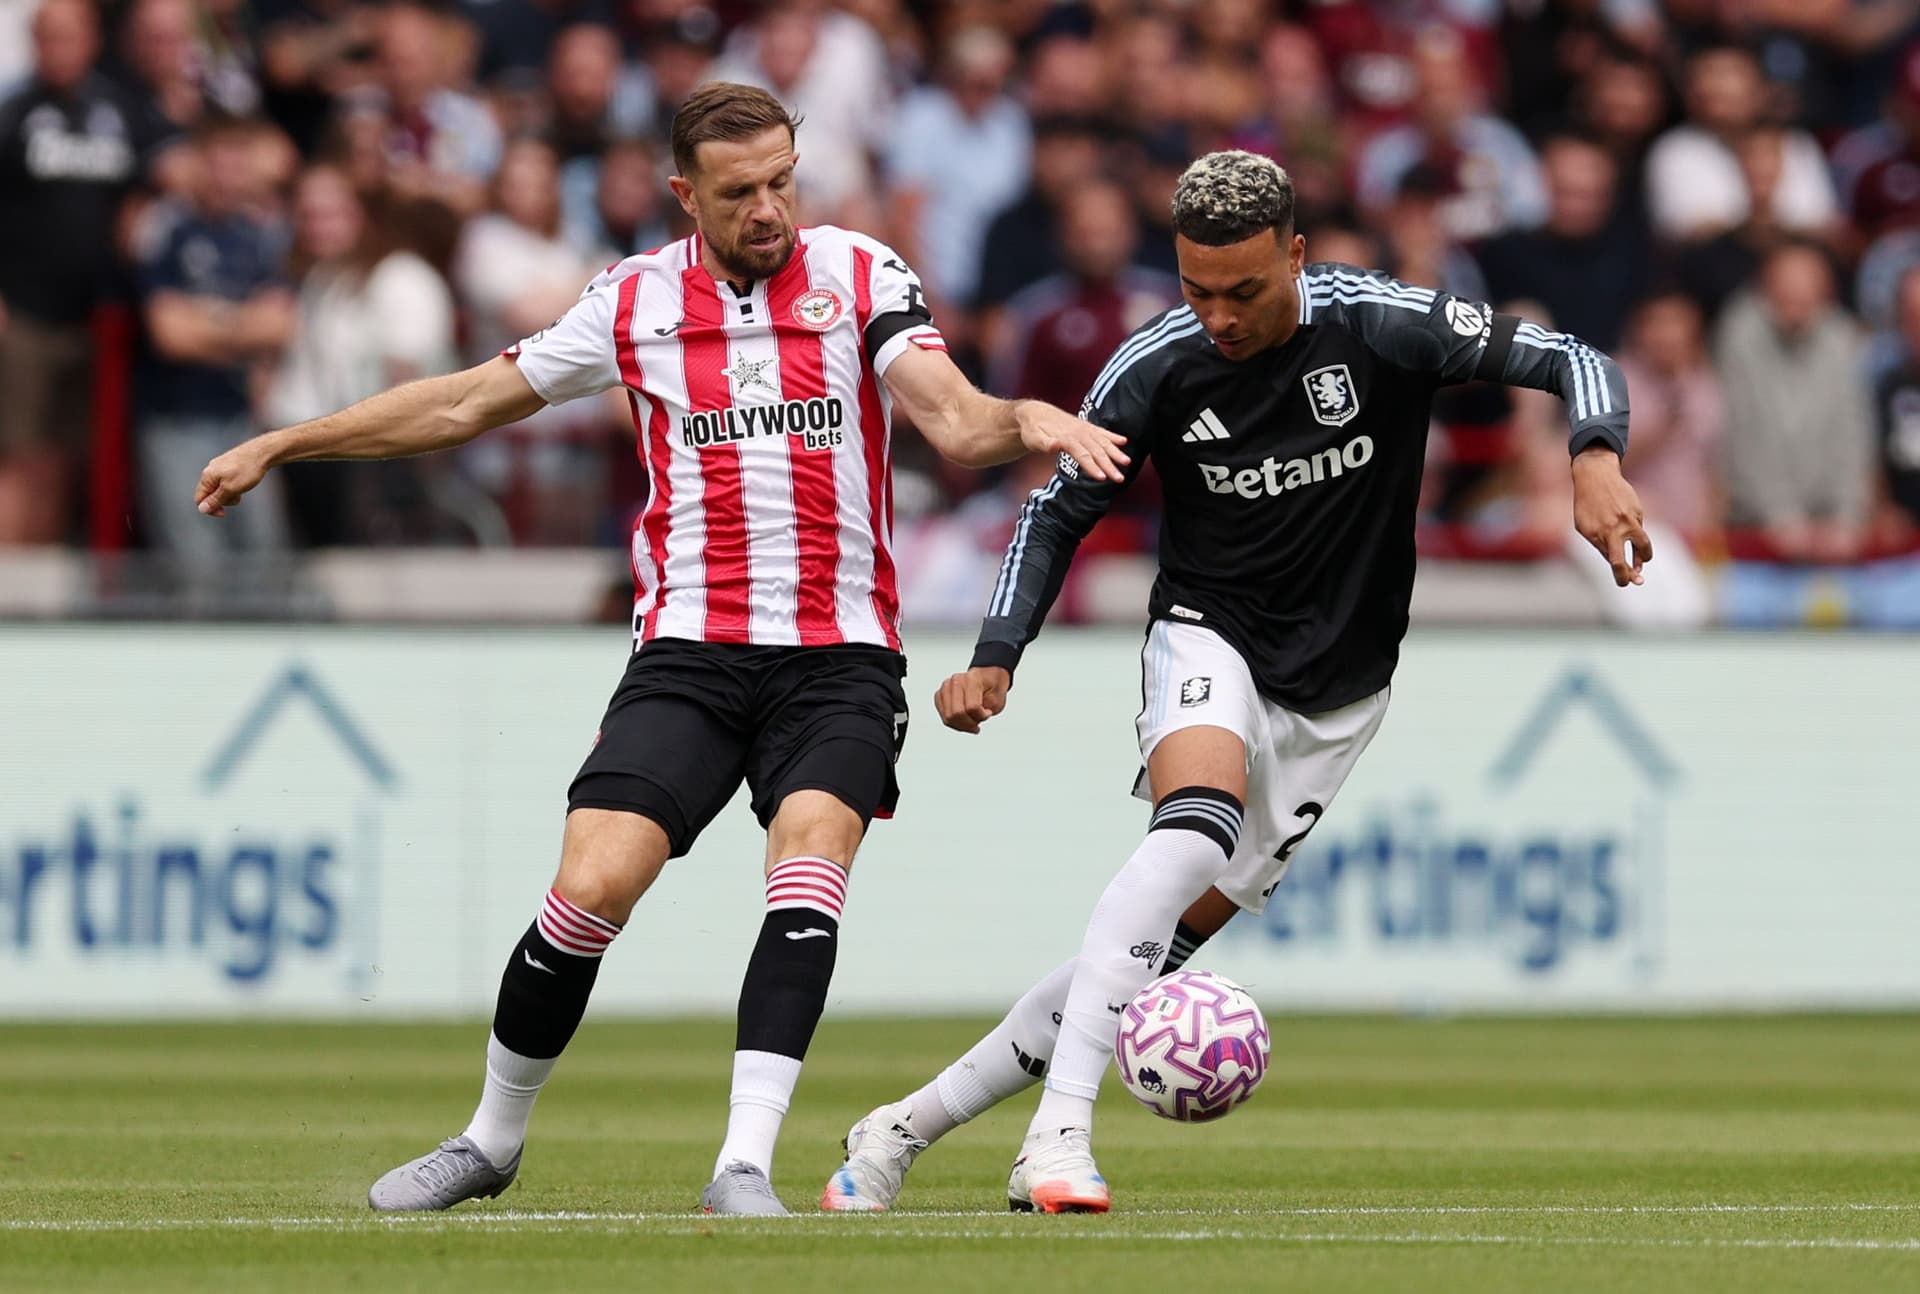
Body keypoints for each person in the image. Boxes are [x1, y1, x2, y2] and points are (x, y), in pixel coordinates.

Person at [192, 82, 1125, 1217]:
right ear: (687, 195)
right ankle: (490, 1140)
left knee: (808, 866)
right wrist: (287, 443)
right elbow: (462, 407)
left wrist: (1022, 416)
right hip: (688, 649)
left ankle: (742, 1164)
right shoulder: (633, 301)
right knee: (592, 883)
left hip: (838, 655)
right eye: (742, 192)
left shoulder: (860, 274)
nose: (772, 208)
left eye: (785, 179)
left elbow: (949, 411)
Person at [821, 150, 1647, 1215]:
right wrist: (995, 652)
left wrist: (1594, 453)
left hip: (1340, 693)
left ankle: (901, 1128)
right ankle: (1056, 1140)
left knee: (1141, 957)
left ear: (1297, 256)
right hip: (1210, 635)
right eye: (1196, 289)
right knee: (1191, 831)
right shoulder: (1157, 365)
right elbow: (1057, 506)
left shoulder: (1381, 322)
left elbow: (1572, 354)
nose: (1217, 315)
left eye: (1245, 291)